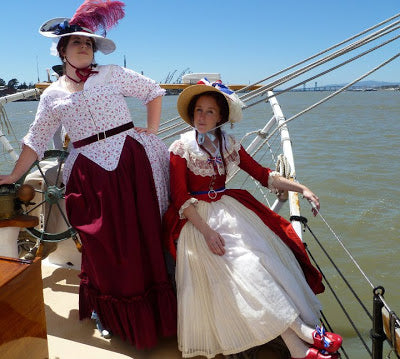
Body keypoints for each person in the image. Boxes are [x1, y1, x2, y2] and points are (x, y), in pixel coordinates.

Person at [0, 0, 176, 349]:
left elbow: (154, 92)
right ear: (62, 50)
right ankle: (109, 314)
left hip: (128, 160)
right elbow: (35, 139)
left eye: (89, 42)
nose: (84, 46)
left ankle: (154, 317)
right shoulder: (52, 95)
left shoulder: (111, 74)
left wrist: (152, 131)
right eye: (76, 42)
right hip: (88, 171)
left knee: (141, 236)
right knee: (101, 243)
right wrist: (13, 176)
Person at [162, 79, 342, 359]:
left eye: (210, 111)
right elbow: (179, 197)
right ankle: (304, 336)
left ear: (221, 117)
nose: (202, 116)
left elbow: (263, 174)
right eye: (199, 110)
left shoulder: (227, 143)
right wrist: (208, 232)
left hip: (230, 212)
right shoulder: (180, 147)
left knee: (264, 262)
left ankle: (298, 347)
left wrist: (303, 188)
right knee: (246, 269)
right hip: (197, 221)